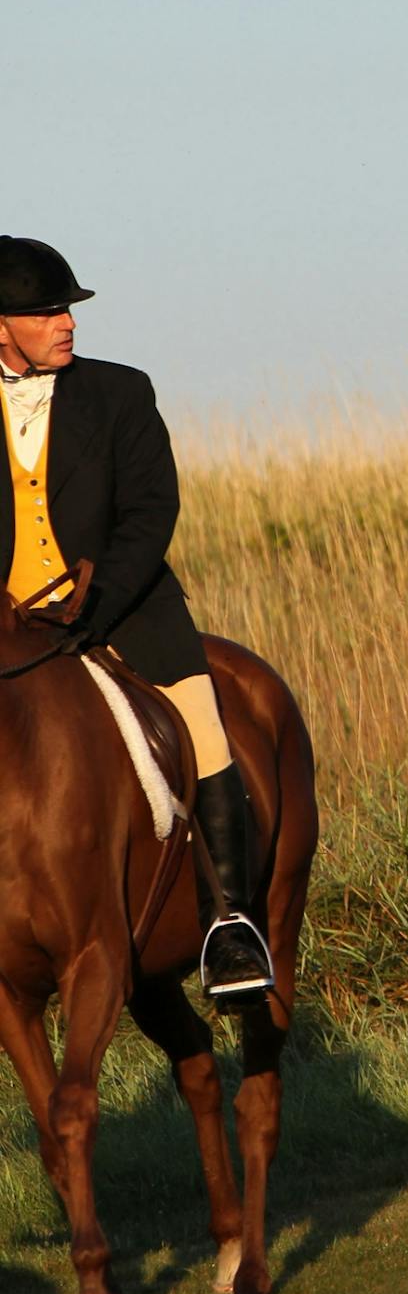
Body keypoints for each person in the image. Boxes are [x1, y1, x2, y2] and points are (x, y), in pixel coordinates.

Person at [0, 236, 273, 1004]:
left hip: (118, 611)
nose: (67, 323)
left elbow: (152, 513)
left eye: (67, 310)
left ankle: (231, 925)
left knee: (206, 727)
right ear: (0, 327)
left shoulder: (121, 393)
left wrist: (95, 601)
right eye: (48, 311)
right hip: (7, 632)